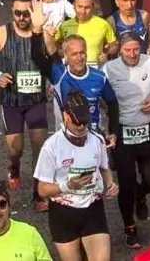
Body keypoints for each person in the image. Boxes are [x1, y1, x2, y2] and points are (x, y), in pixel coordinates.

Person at [0, 0, 58, 209]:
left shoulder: (44, 36)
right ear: (12, 12)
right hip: (12, 101)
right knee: (15, 147)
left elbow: (56, 65)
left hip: (36, 100)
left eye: (27, 13)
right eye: (18, 13)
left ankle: (38, 194)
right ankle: (14, 167)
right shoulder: (2, 33)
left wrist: (53, 83)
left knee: (39, 147)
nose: (22, 17)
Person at [35, 90, 118, 261]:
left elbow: (104, 168)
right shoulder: (51, 147)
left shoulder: (97, 140)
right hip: (63, 213)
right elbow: (42, 190)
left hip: (92, 208)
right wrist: (68, 186)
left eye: (85, 122)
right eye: (76, 122)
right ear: (66, 116)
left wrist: (110, 184)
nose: (81, 127)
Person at [104, 31, 150, 248]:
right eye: (127, 50)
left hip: (147, 129)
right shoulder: (110, 69)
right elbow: (103, 96)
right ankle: (129, 227)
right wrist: (110, 115)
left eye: (135, 49)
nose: (132, 54)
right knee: (126, 182)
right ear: (120, 50)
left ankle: (141, 196)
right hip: (122, 131)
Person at [50, 34, 117, 136]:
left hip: (93, 137)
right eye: (74, 54)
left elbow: (113, 104)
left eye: (82, 53)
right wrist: (40, 32)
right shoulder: (59, 74)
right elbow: (48, 52)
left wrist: (113, 132)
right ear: (65, 56)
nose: (79, 58)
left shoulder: (99, 77)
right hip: (67, 137)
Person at [57, 0, 117, 67]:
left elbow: (114, 45)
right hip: (72, 68)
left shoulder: (103, 24)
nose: (83, 11)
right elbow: (57, 46)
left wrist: (107, 54)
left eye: (87, 7)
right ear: (74, 6)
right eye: (80, 6)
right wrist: (64, 54)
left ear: (93, 7)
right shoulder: (64, 25)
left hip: (95, 68)